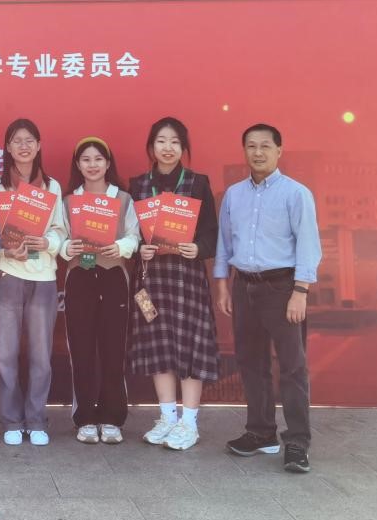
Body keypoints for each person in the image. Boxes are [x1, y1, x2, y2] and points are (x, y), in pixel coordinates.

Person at [214, 123, 322, 473]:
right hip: (244, 286)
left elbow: (308, 244)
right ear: (244, 151)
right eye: (251, 146)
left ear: (279, 151)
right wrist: (222, 284)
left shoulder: (295, 193)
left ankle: (297, 442)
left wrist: (300, 291)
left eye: (265, 146)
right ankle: (261, 433)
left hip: (282, 288)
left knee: (292, 367)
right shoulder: (234, 195)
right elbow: (224, 242)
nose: (257, 152)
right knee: (251, 363)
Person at [127, 116, 219, 452]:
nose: (168, 148)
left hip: (186, 280)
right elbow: (129, 233)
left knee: (189, 346)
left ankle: (189, 422)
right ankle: (167, 417)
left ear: (183, 148)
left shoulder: (197, 183)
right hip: (151, 281)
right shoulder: (138, 185)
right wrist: (139, 247)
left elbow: (211, 232)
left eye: (175, 142)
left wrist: (199, 248)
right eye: (161, 141)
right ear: (151, 147)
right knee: (159, 346)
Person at [0, 118, 66, 446]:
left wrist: (47, 243)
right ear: (7, 147)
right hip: (8, 274)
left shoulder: (52, 187)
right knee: (6, 354)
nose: (23, 146)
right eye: (16, 140)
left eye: (29, 140)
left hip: (43, 277)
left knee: (40, 355)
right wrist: (4, 249)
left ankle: (36, 419)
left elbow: (60, 231)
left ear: (39, 145)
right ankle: (11, 420)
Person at [61, 136, 141, 444]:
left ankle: (112, 417)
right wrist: (68, 247)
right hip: (79, 276)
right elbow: (59, 237)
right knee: (81, 349)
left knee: (113, 348)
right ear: (78, 165)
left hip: (113, 275)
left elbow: (134, 236)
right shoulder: (69, 201)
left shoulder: (123, 199)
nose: (92, 165)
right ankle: (84, 417)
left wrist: (119, 246)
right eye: (86, 159)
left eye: (98, 159)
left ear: (108, 164)